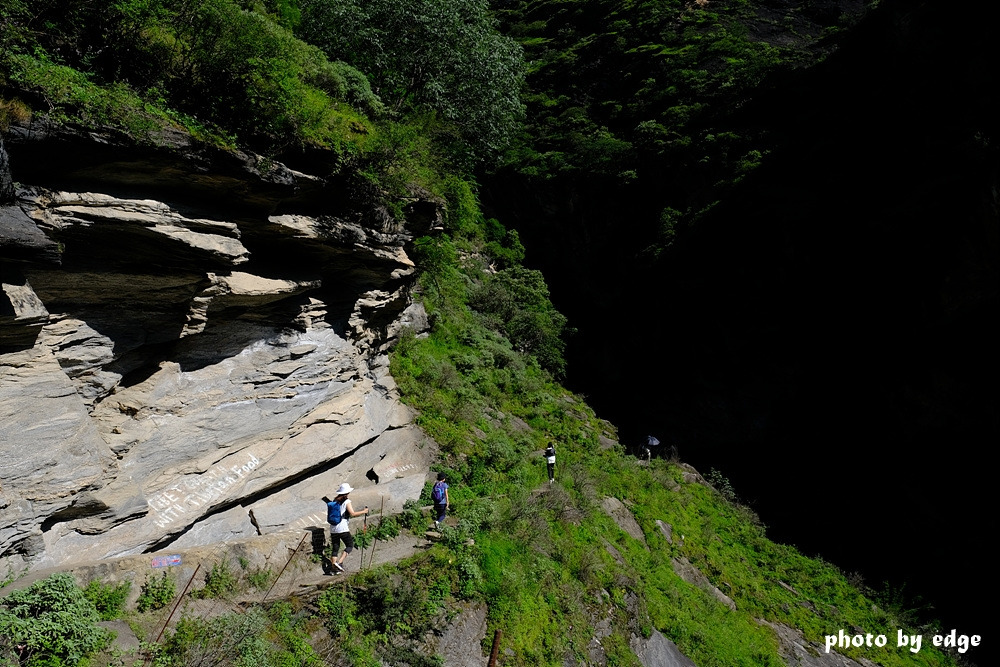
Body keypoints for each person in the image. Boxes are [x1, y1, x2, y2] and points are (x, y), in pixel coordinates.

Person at [323, 483, 368, 573]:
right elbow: (352, 513)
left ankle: (333, 568)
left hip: (333, 527)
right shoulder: (347, 501)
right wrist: (364, 511)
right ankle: (339, 563)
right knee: (349, 545)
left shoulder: (335, 501)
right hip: (342, 527)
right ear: (347, 492)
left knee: (335, 547)